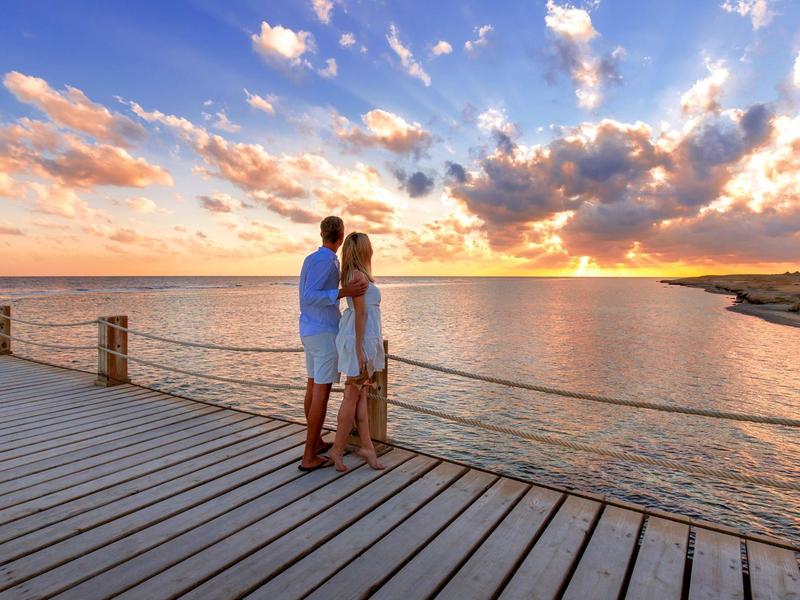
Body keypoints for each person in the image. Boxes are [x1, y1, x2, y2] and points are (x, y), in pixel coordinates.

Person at [298, 216, 367, 471]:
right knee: (321, 395)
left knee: (312, 385)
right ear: (340, 236)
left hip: (309, 330)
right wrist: (344, 292)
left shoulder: (311, 259)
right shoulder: (326, 262)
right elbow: (309, 296)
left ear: (322, 234)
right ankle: (308, 456)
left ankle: (315, 442)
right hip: (323, 333)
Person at [329, 232, 385, 472]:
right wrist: (360, 347)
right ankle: (337, 449)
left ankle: (367, 448)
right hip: (357, 340)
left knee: (360, 396)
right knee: (352, 396)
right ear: (364, 251)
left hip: (362, 338)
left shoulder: (357, 275)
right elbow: (360, 312)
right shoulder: (357, 275)